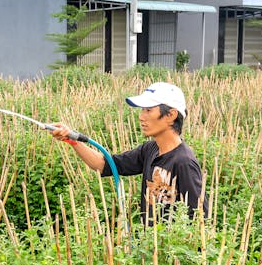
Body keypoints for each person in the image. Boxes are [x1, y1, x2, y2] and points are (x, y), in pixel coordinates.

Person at [50, 82, 209, 224]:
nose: (141, 117)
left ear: (171, 115)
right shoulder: (150, 150)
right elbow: (104, 164)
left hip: (171, 252)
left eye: (148, 110)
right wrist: (72, 140)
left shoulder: (183, 162)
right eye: (142, 110)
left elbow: (200, 219)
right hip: (150, 248)